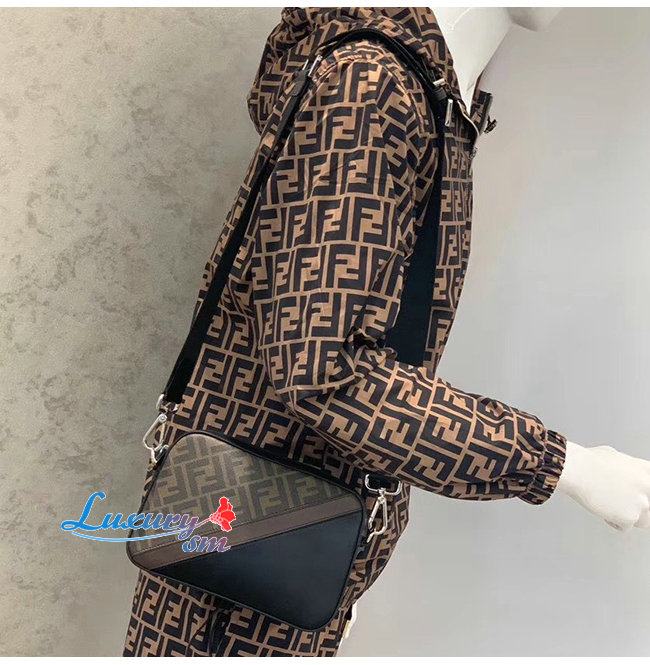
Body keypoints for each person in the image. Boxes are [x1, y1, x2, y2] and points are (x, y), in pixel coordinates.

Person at [123, 7, 650, 657]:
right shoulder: (371, 89)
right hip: (238, 580)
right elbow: (321, 373)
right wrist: (562, 464)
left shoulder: (424, 95)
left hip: (288, 546)